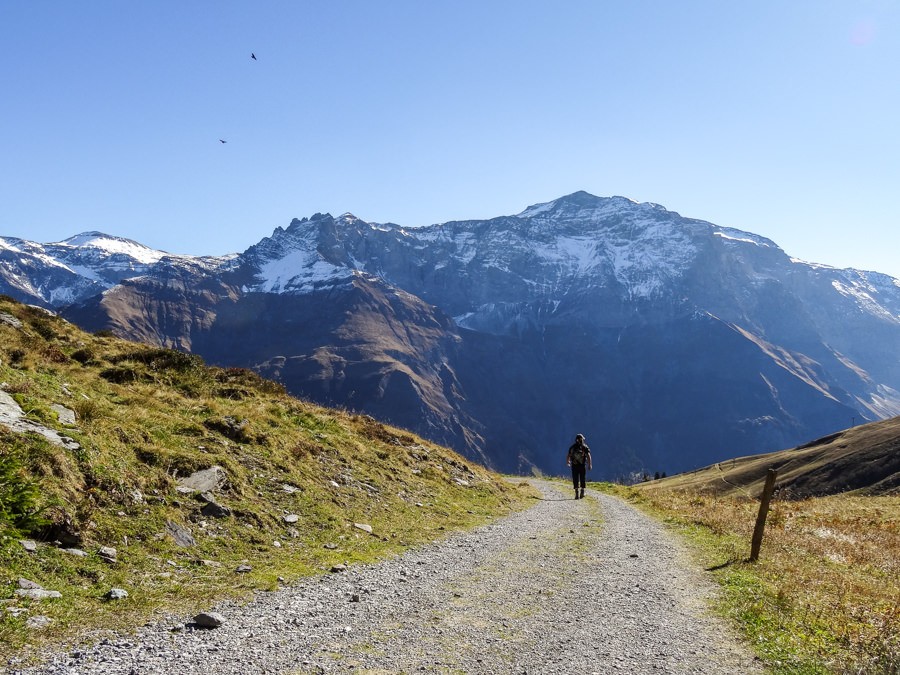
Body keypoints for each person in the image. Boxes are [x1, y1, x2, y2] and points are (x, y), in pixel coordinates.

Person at [566, 433, 592, 499]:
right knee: (582, 478)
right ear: (581, 439)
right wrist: (589, 464)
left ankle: (576, 493)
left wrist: (568, 462)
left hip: (574, 466)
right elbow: (588, 456)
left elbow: (568, 455)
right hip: (582, 465)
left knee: (575, 478)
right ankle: (582, 492)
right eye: (582, 439)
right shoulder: (584, 447)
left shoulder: (572, 447)